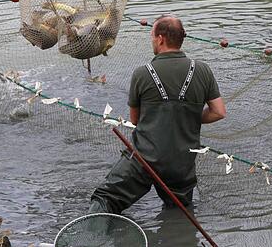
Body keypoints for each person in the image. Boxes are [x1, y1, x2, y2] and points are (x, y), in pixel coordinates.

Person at [89, 14, 226, 214]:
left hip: (144, 161)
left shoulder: (142, 73)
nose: (152, 40)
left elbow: (136, 120)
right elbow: (219, 112)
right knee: (179, 212)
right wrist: (188, 117)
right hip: (182, 164)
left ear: (160, 38)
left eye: (152, 36)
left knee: (104, 200)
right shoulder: (203, 70)